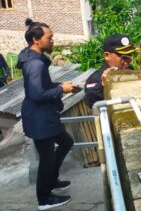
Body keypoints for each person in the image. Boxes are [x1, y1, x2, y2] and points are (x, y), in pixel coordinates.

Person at [17, 19, 76, 210]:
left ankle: (51, 179)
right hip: (39, 118)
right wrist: (61, 89)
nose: (52, 40)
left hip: (45, 115)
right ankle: (44, 199)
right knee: (46, 158)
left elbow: (42, 87)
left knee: (66, 142)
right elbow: (36, 94)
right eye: (49, 38)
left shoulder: (32, 57)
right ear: (36, 40)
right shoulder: (35, 64)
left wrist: (63, 87)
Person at [84, 34, 136, 108]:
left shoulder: (129, 69)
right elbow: (90, 102)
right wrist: (102, 84)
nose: (128, 61)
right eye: (123, 57)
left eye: (129, 56)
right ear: (107, 55)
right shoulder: (95, 78)